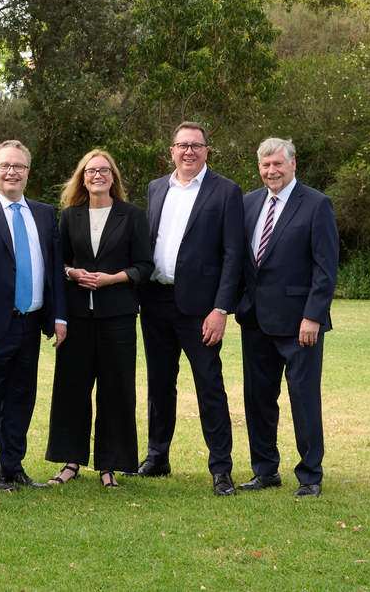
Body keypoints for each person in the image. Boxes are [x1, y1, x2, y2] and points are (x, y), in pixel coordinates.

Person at [131, 121, 245, 497]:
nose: (189, 152)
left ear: (207, 151)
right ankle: (157, 456)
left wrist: (221, 308)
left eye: (196, 146)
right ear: (171, 151)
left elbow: (234, 255)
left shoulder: (226, 191)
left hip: (201, 309)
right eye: (182, 145)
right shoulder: (155, 188)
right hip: (156, 302)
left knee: (209, 385)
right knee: (159, 385)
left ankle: (221, 469)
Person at [235, 138, 339, 498]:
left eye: (278, 164)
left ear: (293, 164)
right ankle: (265, 471)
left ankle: (310, 475)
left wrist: (313, 315)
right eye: (265, 165)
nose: (271, 171)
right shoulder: (248, 204)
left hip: (300, 325)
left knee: (303, 398)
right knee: (258, 398)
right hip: (256, 321)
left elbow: (325, 269)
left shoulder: (316, 205)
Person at [45, 150, 153, 489]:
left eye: (104, 170)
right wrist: (71, 272)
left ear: (113, 177)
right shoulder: (70, 216)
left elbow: (145, 267)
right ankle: (70, 462)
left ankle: (110, 464)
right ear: (82, 177)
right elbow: (57, 263)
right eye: (91, 171)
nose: (97, 176)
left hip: (117, 315)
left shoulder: (133, 215)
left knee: (116, 389)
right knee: (71, 388)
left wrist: (113, 278)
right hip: (77, 316)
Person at [0, 139, 67, 491]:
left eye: (19, 166)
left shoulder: (43, 213)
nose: (12, 172)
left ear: (28, 172)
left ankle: (13, 466)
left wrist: (59, 316)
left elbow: (53, 268)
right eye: (5, 166)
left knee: (21, 398)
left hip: (31, 322)